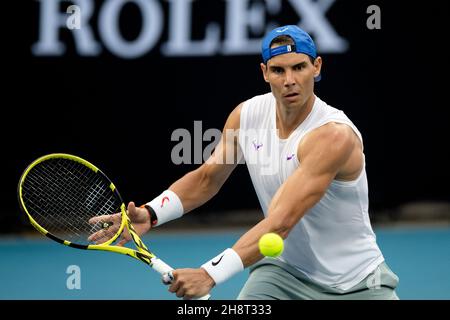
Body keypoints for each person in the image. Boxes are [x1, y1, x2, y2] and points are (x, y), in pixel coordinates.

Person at [104, 25, 399, 300]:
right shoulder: (247, 115)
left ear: (317, 67)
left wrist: (209, 274)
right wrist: (151, 213)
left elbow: (281, 222)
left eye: (299, 67)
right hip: (283, 274)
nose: (289, 81)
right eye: (278, 70)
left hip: (357, 283)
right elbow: (208, 178)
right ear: (264, 72)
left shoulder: (333, 136)